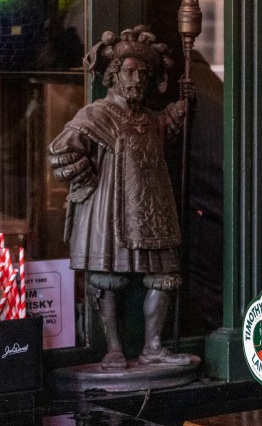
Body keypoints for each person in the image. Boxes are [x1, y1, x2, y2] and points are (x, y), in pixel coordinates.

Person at [48, 26, 194, 370]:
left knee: (164, 275)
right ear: (113, 76)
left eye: (143, 73)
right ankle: (113, 347)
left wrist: (185, 103)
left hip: (153, 208)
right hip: (110, 208)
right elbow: (63, 151)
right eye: (129, 71)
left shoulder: (149, 118)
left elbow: (166, 124)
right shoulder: (96, 115)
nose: (137, 79)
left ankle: (154, 346)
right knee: (106, 277)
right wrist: (88, 181)